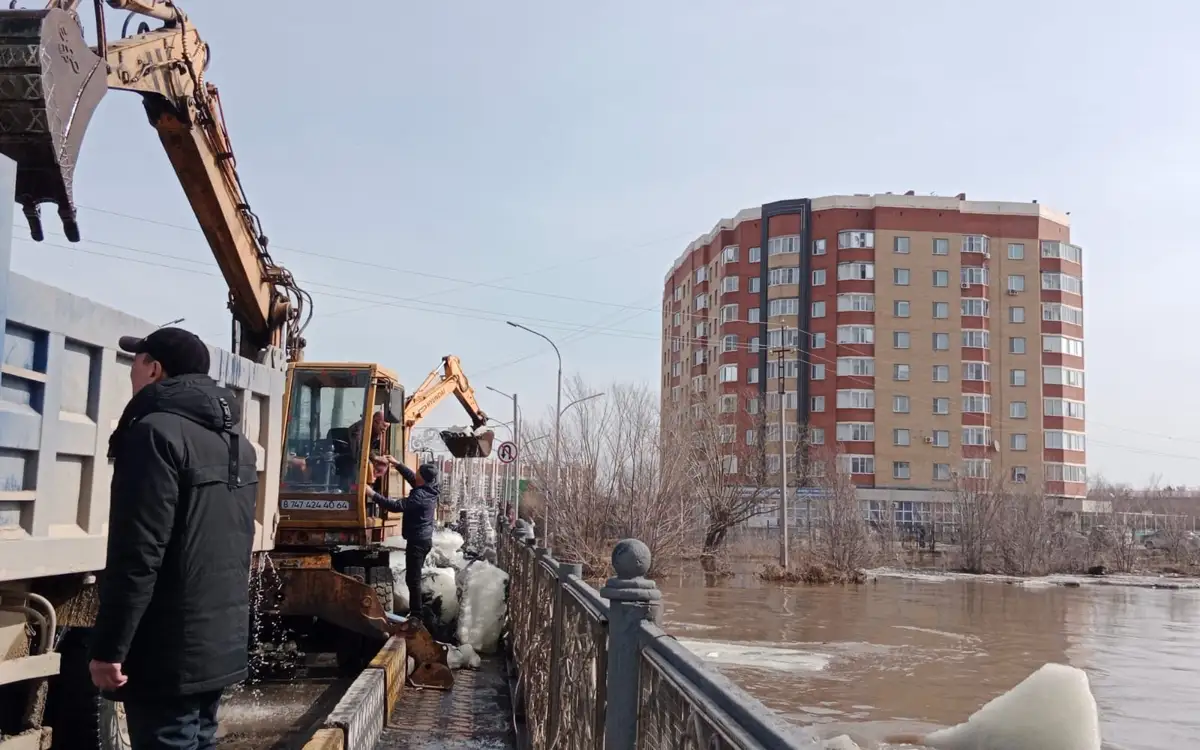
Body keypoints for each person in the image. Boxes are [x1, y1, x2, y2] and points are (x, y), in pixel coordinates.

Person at [90, 327, 258, 750]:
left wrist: (110, 648)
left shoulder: (153, 433)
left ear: (155, 369)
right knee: (199, 739)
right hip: (218, 640)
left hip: (166, 647)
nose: (132, 368)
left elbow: (138, 552)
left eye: (137, 358)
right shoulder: (239, 444)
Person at [365, 457, 440, 618]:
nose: (416, 473)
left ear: (423, 477)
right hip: (423, 540)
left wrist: (372, 494)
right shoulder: (430, 489)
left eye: (418, 471)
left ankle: (416, 615)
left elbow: (396, 506)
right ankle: (416, 612)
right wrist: (397, 464)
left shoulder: (420, 496)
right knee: (413, 577)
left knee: (413, 579)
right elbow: (412, 478)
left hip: (418, 542)